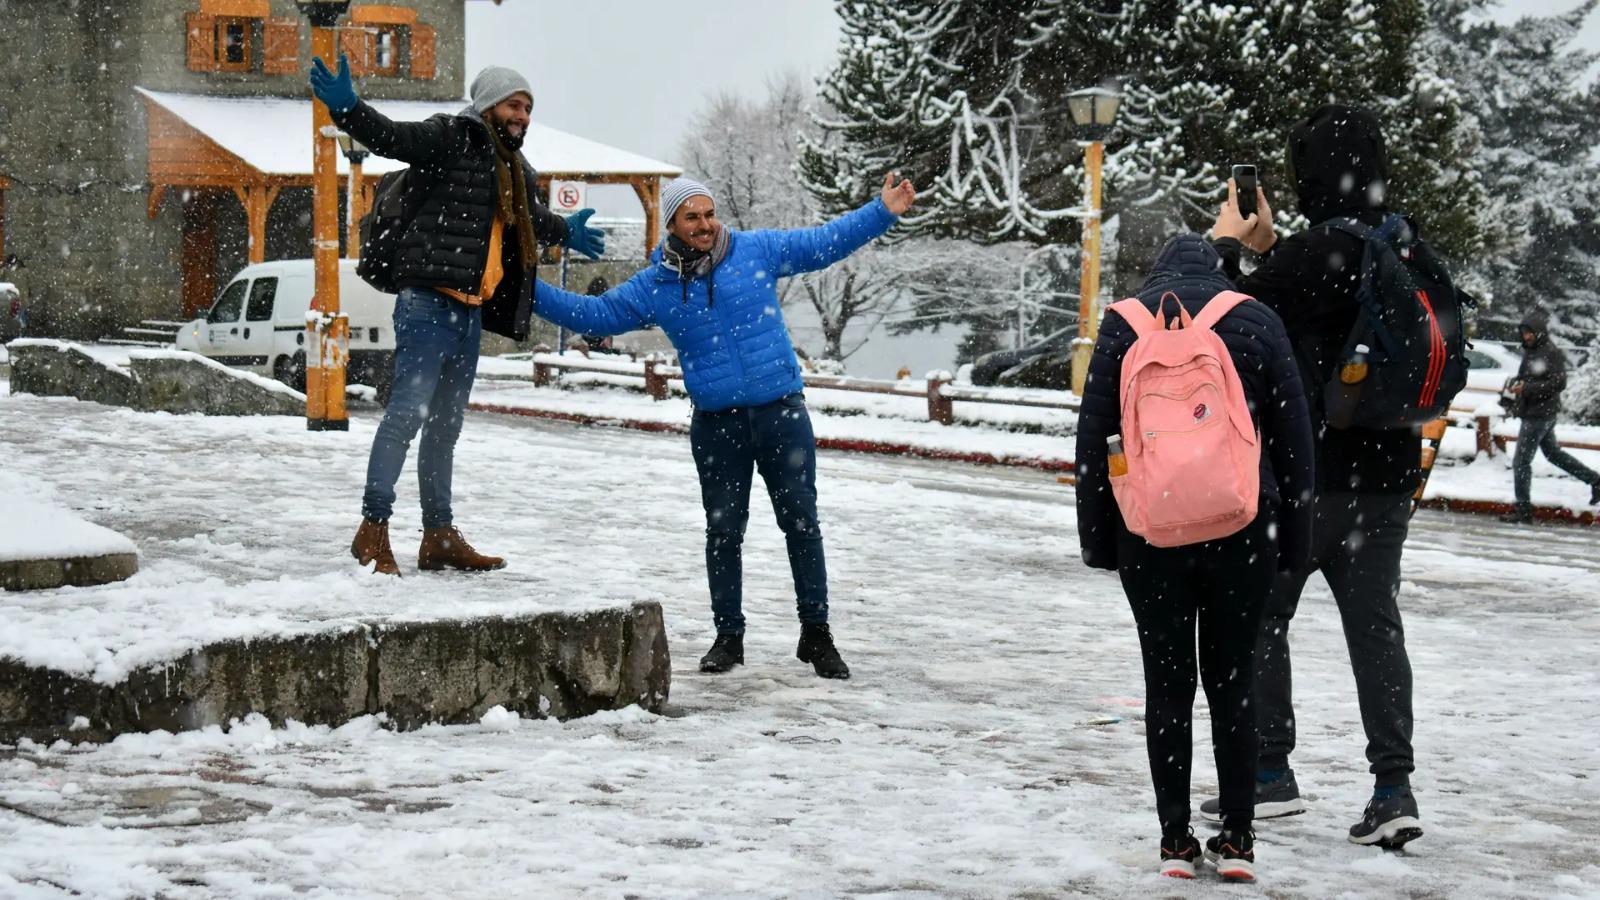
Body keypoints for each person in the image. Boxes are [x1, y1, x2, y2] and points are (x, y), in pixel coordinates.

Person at [531, 174, 916, 679]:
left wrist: (881, 211)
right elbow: (596, 314)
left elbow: (825, 243)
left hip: (781, 413)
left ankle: (817, 635)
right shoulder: (656, 288)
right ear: (671, 224)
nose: (706, 225)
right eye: (692, 217)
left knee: (802, 525)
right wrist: (520, 284)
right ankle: (729, 637)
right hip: (718, 424)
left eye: (709, 214)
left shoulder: (755, 250)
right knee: (723, 532)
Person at [1205, 104, 1429, 848]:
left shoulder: (1307, 259)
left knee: (1264, 617)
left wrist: (1236, 247)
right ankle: (1393, 787)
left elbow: (1225, 320)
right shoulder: (1406, 246)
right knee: (1376, 629)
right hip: (1390, 478)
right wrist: (1274, 251)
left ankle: (1270, 772)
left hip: (1308, 477)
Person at [307, 57, 606, 576]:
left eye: (529, 108)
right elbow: (393, 138)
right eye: (515, 104)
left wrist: (566, 230)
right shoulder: (451, 136)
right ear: (490, 105)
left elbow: (532, 219)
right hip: (427, 304)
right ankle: (372, 530)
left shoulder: (514, 169)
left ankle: (438, 535)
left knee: (444, 428)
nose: (524, 115)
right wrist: (348, 108)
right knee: (406, 416)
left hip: (469, 313)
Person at [1077, 234, 1313, 880]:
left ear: (1159, 274)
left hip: (1149, 535)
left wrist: (1100, 540)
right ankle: (1237, 838)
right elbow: (1293, 439)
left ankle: (1176, 841)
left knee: (1169, 685)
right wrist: (1293, 539)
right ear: (1222, 270)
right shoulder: (1255, 319)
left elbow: (1096, 440)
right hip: (1242, 528)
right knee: (1234, 683)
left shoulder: (1124, 323)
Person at [1498, 308, 1600, 523]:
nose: (1526, 337)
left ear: (1539, 332)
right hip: (1537, 412)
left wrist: (1526, 388)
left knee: (1521, 462)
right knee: (1553, 454)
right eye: (1524, 333)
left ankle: (1523, 510)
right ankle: (1595, 480)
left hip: (1539, 414)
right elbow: (1526, 378)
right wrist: (1513, 390)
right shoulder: (1532, 351)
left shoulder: (1548, 352)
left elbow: (1558, 383)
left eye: (1530, 333)